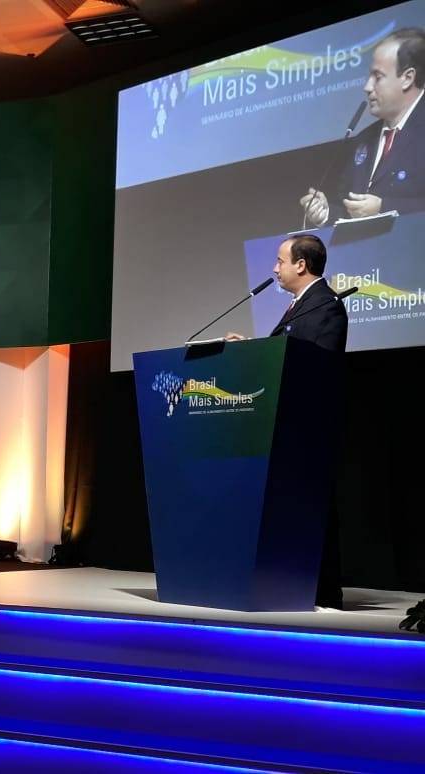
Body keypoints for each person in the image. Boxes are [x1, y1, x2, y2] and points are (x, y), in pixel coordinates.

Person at [227, 233, 347, 609]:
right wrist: (253, 349)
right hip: (283, 423)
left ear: (301, 264)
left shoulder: (326, 306)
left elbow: (319, 363)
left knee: (312, 507)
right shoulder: (301, 305)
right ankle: (287, 586)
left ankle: (324, 591)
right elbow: (285, 354)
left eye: (280, 261)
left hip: (308, 427)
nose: (275, 269)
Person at [300, 28, 425, 227]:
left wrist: (384, 208)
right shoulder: (364, 139)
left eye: (378, 77)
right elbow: (351, 212)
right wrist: (326, 213)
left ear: (407, 78)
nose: (367, 87)